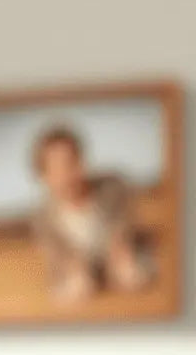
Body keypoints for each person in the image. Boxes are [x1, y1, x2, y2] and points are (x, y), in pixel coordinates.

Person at [30, 124, 154, 303]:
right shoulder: (42, 217)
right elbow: (59, 259)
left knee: (134, 276)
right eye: (56, 167)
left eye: (71, 162)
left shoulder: (113, 187)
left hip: (123, 260)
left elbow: (125, 233)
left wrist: (122, 256)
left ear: (82, 162)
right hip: (77, 275)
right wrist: (76, 273)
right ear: (44, 176)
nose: (66, 174)